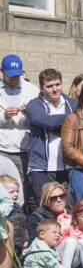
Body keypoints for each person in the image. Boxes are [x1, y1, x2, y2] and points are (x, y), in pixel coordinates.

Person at [0, 54, 38, 208]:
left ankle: (19, 224)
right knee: (3, 188)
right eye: (11, 75)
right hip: (2, 148)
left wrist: (30, 112)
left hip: (25, 149)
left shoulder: (32, 89)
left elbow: (39, 116)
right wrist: (4, 117)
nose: (15, 78)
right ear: (2, 71)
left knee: (22, 191)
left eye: (17, 75)